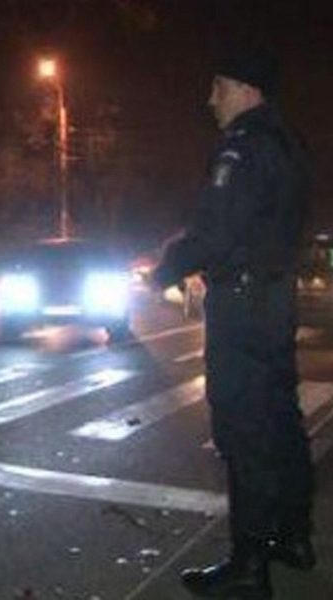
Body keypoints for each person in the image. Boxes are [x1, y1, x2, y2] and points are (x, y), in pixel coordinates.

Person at [151, 49, 313, 597]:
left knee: (243, 429)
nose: (210, 99)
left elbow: (216, 233)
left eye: (218, 87)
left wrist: (166, 268)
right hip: (274, 298)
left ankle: (249, 564)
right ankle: (293, 536)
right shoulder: (288, 143)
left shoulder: (241, 148)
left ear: (246, 89)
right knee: (281, 419)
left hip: (242, 304)